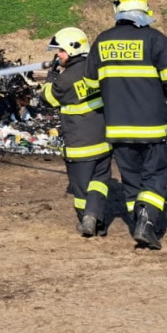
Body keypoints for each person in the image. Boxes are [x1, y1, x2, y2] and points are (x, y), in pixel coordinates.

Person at [91, 0, 167, 250]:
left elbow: (91, 84)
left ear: (117, 8)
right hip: (151, 126)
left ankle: (138, 223)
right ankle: (147, 220)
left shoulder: (102, 41)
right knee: (155, 174)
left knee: (131, 178)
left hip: (118, 126)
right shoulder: (155, 39)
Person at [40, 27, 111, 237]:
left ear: (72, 50)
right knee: (100, 181)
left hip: (78, 145)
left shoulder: (65, 79)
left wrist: (51, 77)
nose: (59, 55)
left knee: (81, 188)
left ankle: (86, 220)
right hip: (103, 140)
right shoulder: (97, 69)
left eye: (61, 51)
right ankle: (96, 218)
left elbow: (47, 98)